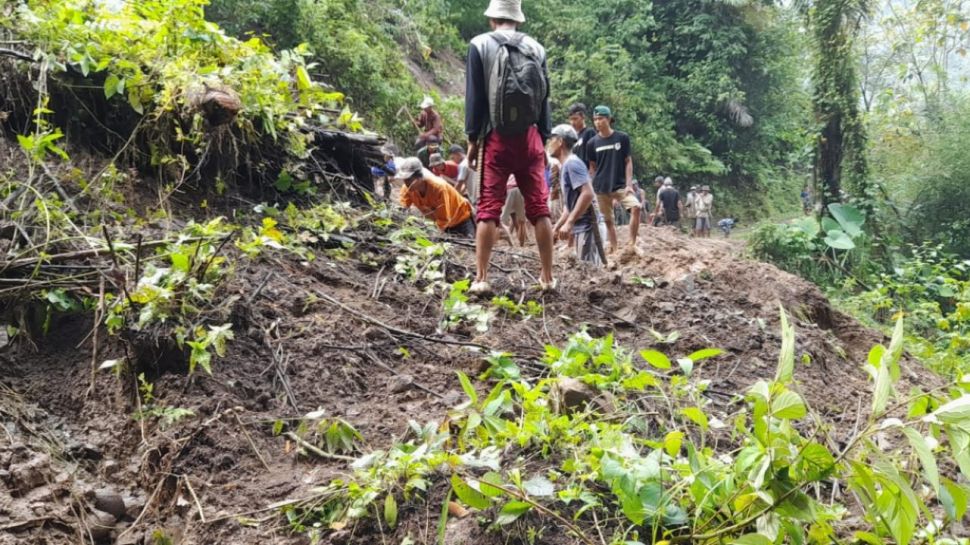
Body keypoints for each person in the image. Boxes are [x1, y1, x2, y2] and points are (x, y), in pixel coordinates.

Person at [465, 0, 555, 293]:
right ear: (518, 19)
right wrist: (542, 138)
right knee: (539, 209)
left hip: (496, 138)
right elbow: (544, 99)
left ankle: (481, 278)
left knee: (488, 209)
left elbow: (475, 99)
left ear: (493, 18)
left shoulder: (479, 45)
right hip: (530, 139)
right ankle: (547, 278)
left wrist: (472, 139)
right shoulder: (537, 48)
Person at [587, 105, 640, 252]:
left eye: (601, 118)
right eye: (595, 119)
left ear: (609, 119)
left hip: (620, 185)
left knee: (636, 207)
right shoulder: (592, 143)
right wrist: (592, 183)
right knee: (609, 220)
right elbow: (592, 166)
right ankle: (615, 248)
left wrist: (629, 184)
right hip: (601, 188)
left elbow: (628, 161)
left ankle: (632, 244)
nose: (598, 122)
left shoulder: (622, 138)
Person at [549, 124, 601, 265]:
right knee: (585, 268)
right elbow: (569, 205)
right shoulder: (566, 165)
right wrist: (558, 226)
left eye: (552, 139)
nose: (549, 143)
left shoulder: (572, 164)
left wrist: (570, 223)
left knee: (590, 271)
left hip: (589, 225)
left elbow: (588, 194)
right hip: (582, 226)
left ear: (560, 142)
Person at [396, 157, 475, 237]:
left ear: (419, 177)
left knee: (469, 244)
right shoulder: (407, 189)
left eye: (409, 179)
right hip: (442, 223)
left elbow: (444, 219)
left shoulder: (438, 188)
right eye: (404, 179)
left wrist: (434, 234)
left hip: (461, 219)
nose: (406, 183)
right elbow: (403, 209)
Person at [500, 175, 528, 246]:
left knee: (503, 220)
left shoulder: (506, 166)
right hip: (520, 189)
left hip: (509, 189)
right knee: (521, 221)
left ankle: (507, 242)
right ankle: (521, 245)